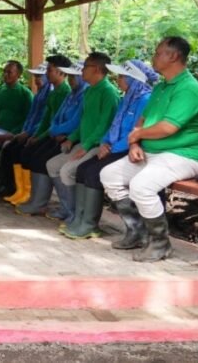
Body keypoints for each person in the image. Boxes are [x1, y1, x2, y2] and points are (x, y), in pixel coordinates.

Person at [100, 37, 198, 262]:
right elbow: (142, 119)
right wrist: (134, 143)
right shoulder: (161, 87)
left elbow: (168, 128)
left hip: (182, 155)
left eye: (158, 53)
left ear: (173, 56)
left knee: (142, 186)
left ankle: (160, 244)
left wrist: (136, 135)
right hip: (152, 153)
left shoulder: (189, 89)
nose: (153, 57)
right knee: (109, 175)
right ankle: (137, 231)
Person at [64, 60, 158, 239]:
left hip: (128, 149)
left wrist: (112, 147)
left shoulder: (145, 100)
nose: (118, 79)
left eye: (122, 76)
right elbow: (113, 126)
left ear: (133, 80)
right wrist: (104, 143)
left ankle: (90, 224)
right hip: (112, 147)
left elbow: (136, 133)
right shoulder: (126, 98)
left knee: (93, 173)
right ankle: (81, 219)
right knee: (83, 169)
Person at [43, 53, 120, 224]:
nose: (82, 70)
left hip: (97, 146)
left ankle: (78, 216)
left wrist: (85, 146)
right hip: (84, 143)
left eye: (85, 66)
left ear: (97, 69)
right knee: (52, 165)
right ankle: (68, 210)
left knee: (67, 171)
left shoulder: (108, 92)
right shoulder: (89, 91)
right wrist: (72, 138)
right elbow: (83, 122)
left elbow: (104, 126)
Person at [17, 58, 86, 216]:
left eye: (74, 76)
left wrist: (56, 131)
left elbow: (75, 122)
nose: (71, 79)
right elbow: (53, 118)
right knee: (31, 154)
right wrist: (47, 132)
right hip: (56, 135)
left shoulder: (79, 93)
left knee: (42, 160)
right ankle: (34, 199)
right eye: (70, 76)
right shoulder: (71, 94)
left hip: (71, 139)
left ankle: (42, 204)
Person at [8, 55, 73, 207]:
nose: (46, 74)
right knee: (22, 151)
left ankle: (37, 200)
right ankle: (25, 193)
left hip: (60, 137)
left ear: (61, 72)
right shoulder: (54, 93)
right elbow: (45, 119)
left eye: (49, 70)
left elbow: (56, 123)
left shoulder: (64, 92)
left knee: (36, 158)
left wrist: (39, 137)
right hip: (50, 134)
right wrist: (35, 135)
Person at [0, 63, 51, 200]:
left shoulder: (50, 93)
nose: (37, 79)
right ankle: (13, 187)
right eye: (36, 76)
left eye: (40, 76)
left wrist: (30, 133)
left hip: (40, 134)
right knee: (9, 149)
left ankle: (26, 192)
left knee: (21, 152)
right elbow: (30, 117)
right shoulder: (39, 93)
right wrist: (24, 131)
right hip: (28, 132)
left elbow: (45, 120)